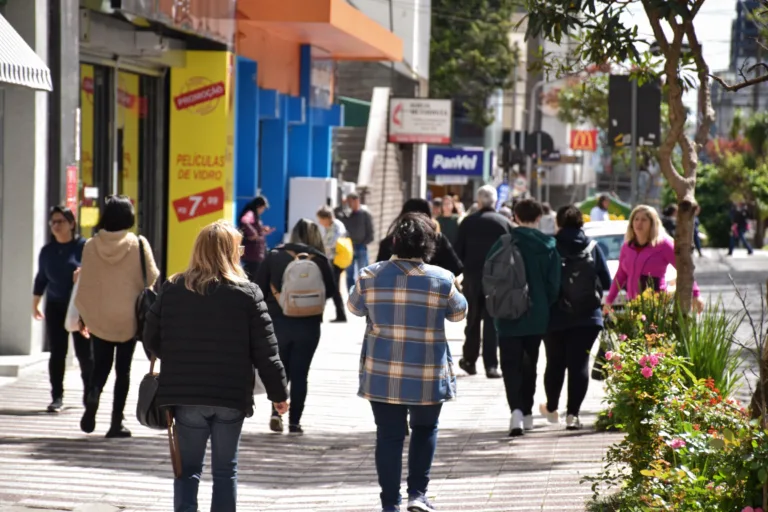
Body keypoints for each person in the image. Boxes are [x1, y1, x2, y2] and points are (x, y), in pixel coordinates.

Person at [144, 221, 289, 512]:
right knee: (225, 471)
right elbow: (266, 351)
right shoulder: (248, 293)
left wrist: (177, 357)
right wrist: (279, 394)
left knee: (188, 470)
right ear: (231, 252)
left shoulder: (173, 288)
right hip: (230, 395)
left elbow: (150, 337)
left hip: (185, 395)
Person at [347, 212, 467, 512]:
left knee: (388, 436)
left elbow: (354, 308)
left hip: (381, 371)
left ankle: (390, 503)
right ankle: (417, 494)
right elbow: (458, 314)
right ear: (428, 244)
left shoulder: (369, 275)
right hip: (427, 371)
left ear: (394, 242)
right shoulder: (442, 278)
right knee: (425, 430)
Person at [76, 195, 160, 438]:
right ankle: (116, 423)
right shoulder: (138, 243)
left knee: (100, 366)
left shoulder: (91, 246)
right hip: (129, 319)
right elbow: (152, 276)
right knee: (122, 371)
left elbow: (86, 284)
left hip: (100, 318)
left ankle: (92, 395)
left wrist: (84, 316)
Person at [255, 219, 336, 434]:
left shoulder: (274, 255)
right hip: (308, 325)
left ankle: (275, 413)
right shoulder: (319, 259)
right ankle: (295, 422)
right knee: (301, 373)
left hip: (277, 323)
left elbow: (259, 289)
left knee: (279, 370)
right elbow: (330, 291)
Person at [490, 199, 561, 437]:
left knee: (510, 365)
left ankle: (516, 412)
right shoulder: (549, 245)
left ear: (515, 217)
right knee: (530, 363)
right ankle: (528, 413)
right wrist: (543, 303)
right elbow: (554, 286)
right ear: (539, 218)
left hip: (507, 313)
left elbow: (489, 277)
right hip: (536, 313)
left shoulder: (503, 242)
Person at [540, 205, 611, 431]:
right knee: (579, 364)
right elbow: (607, 281)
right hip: (588, 316)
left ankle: (552, 409)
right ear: (581, 222)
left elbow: (544, 281)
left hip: (555, 315)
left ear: (558, 223)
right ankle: (573, 415)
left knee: (555, 363)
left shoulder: (550, 247)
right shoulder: (593, 247)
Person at [33, 206, 92, 413]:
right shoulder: (47, 251)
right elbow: (41, 279)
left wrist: (83, 273)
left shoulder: (83, 246)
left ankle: (89, 396)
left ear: (71, 224)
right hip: (56, 306)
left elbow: (95, 272)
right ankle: (56, 396)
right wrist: (35, 303)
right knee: (57, 352)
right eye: (53, 222)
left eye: (60, 221)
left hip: (80, 306)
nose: (56, 226)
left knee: (85, 354)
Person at [454, 185, 512, 379]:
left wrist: (461, 273)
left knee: (472, 320)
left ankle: (469, 361)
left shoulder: (467, 223)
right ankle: (491, 365)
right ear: (495, 201)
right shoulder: (504, 222)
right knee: (492, 321)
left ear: (478, 202)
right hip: (497, 279)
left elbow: (458, 252)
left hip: (473, 278)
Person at [603, 205, 704, 313]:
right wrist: (609, 301)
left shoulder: (664, 245)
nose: (639, 223)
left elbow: (684, 270)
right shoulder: (627, 247)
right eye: (636, 219)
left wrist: (696, 293)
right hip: (632, 304)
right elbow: (620, 275)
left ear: (652, 223)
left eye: (644, 220)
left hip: (656, 305)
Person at [376, 198, 463, 277]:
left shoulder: (389, 242)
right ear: (428, 216)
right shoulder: (438, 240)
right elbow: (456, 268)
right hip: (432, 292)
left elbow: (379, 272)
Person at [316, 205, 348, 323]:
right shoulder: (331, 226)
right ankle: (339, 314)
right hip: (331, 260)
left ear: (326, 218)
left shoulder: (336, 226)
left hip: (335, 261)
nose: (320, 222)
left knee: (330, 287)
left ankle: (335, 315)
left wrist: (321, 247)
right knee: (331, 287)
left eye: (320, 219)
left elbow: (333, 243)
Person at [339, 192, 375, 290]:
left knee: (363, 273)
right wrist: (342, 205)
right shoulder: (345, 215)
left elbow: (370, 232)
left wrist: (364, 242)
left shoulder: (365, 214)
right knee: (349, 274)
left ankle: (363, 293)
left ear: (357, 201)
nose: (350, 204)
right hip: (348, 247)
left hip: (361, 247)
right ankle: (351, 294)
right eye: (348, 202)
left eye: (351, 202)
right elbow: (336, 217)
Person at [238, 196, 275, 280]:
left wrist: (262, 231)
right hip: (252, 253)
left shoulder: (254, 215)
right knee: (252, 276)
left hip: (255, 253)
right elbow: (244, 220)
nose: (263, 211)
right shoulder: (250, 213)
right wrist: (253, 233)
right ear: (258, 206)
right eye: (262, 208)